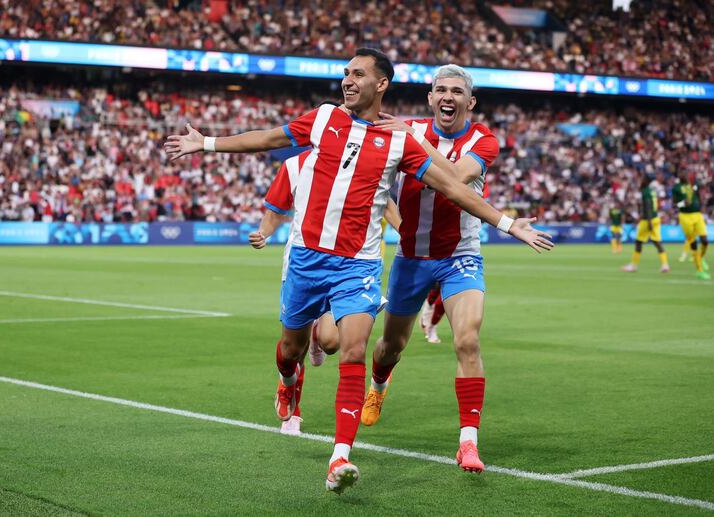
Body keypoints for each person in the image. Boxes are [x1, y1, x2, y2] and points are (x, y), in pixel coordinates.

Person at [164, 48, 553, 494]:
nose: (347, 80)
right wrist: (206, 143)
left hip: (363, 263)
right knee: (297, 348)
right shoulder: (326, 117)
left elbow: (451, 184)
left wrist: (506, 223)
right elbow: (270, 138)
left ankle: (341, 457)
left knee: (355, 350)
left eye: (357, 74)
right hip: (311, 258)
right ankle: (290, 381)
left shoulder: (404, 139)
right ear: (428, 97)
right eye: (345, 73)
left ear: (381, 84)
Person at [358, 64, 503, 474]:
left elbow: (456, 177)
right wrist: (399, 223)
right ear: (430, 97)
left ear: (469, 102)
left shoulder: (483, 140)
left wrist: (415, 138)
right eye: (441, 89)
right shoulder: (405, 130)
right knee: (390, 348)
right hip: (412, 259)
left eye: (457, 91)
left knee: (468, 341)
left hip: (462, 255)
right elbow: (379, 185)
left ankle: (468, 442)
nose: (448, 97)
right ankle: (379, 385)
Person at [249, 150, 401, 434]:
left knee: (331, 342)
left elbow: (387, 203)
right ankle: (290, 394)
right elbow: (276, 210)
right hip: (304, 266)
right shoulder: (295, 165)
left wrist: (407, 233)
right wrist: (263, 233)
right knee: (294, 346)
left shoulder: (362, 162)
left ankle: (317, 337)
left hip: (350, 269)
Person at [622, 176, 670, 273]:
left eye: (642, 179)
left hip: (649, 219)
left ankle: (634, 265)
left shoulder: (645, 192)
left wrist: (648, 221)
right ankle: (665, 265)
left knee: (638, 242)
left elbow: (648, 205)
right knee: (657, 242)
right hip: (655, 218)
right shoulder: (652, 191)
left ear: (646, 181)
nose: (640, 181)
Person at [671, 173, 709, 280]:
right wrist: (682, 203)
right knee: (693, 243)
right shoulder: (676, 188)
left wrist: (701, 205)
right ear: (679, 176)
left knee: (705, 240)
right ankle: (699, 270)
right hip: (685, 217)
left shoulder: (693, 185)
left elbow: (699, 191)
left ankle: (700, 258)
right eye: (683, 173)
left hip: (697, 215)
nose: (686, 176)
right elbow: (674, 204)